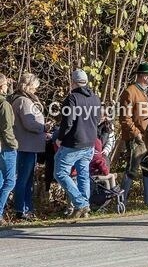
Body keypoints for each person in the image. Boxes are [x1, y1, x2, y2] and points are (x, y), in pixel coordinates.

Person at [53, 69, 103, 218]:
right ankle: (84, 209)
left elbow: (67, 122)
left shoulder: (72, 98)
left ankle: (81, 203)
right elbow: (98, 120)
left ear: (73, 82)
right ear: (86, 82)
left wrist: (60, 138)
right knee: (83, 175)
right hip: (90, 142)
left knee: (60, 173)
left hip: (73, 143)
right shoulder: (95, 98)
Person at [118, 63, 148, 206]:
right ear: (143, 76)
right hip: (136, 138)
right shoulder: (130, 92)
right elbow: (124, 118)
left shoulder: (145, 92)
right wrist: (136, 134)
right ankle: (122, 201)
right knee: (131, 169)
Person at [10, 73, 45, 221]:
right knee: (24, 179)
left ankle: (27, 208)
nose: (36, 91)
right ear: (28, 86)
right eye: (35, 87)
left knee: (27, 179)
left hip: (29, 145)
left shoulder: (24, 99)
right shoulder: (23, 101)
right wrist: (43, 126)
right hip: (25, 146)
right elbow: (29, 123)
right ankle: (21, 209)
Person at [0, 74, 17, 222]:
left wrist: (9, 88)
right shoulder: (4, 105)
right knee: (10, 181)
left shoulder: (4, 102)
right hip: (5, 147)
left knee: (0, 181)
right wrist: (14, 144)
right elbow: (7, 129)